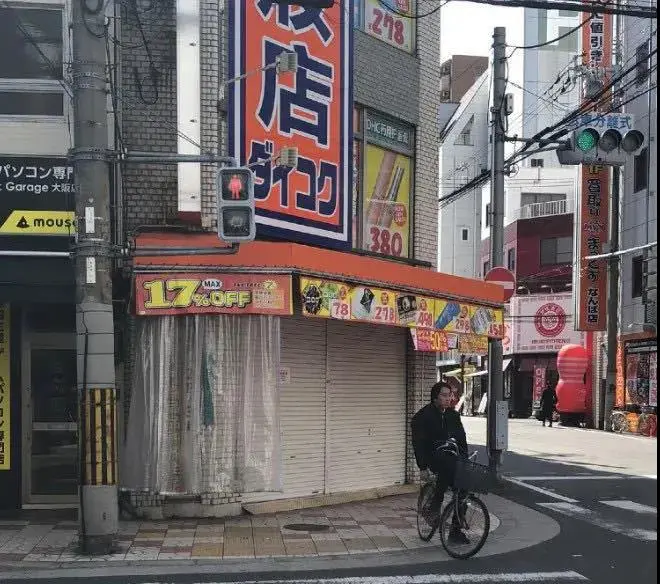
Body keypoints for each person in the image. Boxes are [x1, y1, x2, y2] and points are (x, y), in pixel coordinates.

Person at [411, 381, 469, 543]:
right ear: (435, 398)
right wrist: (422, 467)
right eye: (444, 395)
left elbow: (462, 440)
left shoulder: (453, 415)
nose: (448, 398)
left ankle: (455, 531)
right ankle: (434, 506)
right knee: (446, 466)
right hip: (432, 457)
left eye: (450, 395)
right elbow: (418, 443)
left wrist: (465, 459)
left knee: (463, 490)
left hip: (451, 456)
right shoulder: (423, 416)